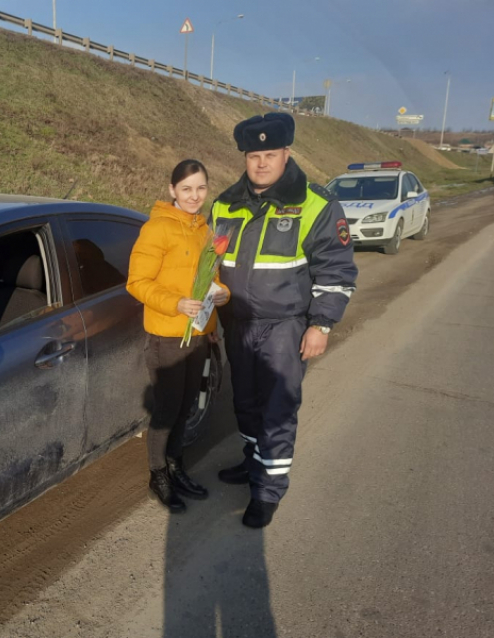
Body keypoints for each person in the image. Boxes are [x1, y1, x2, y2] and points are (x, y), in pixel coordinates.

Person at [212, 112, 358, 528]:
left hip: (285, 327)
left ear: (286, 153)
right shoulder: (225, 203)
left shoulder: (317, 204)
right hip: (237, 324)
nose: (261, 163)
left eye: (270, 154)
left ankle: (268, 490)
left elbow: (336, 270)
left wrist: (321, 325)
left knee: (276, 409)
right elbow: (210, 262)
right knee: (245, 404)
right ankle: (253, 461)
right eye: (253, 154)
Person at [127, 160, 230, 513]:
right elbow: (137, 283)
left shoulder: (203, 230)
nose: (194, 196)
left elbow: (209, 280)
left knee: (187, 407)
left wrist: (221, 298)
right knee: (168, 410)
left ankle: (175, 467)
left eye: (200, 188)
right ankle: (157, 475)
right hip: (167, 337)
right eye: (186, 189)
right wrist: (175, 304)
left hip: (198, 335)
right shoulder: (157, 229)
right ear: (172, 190)